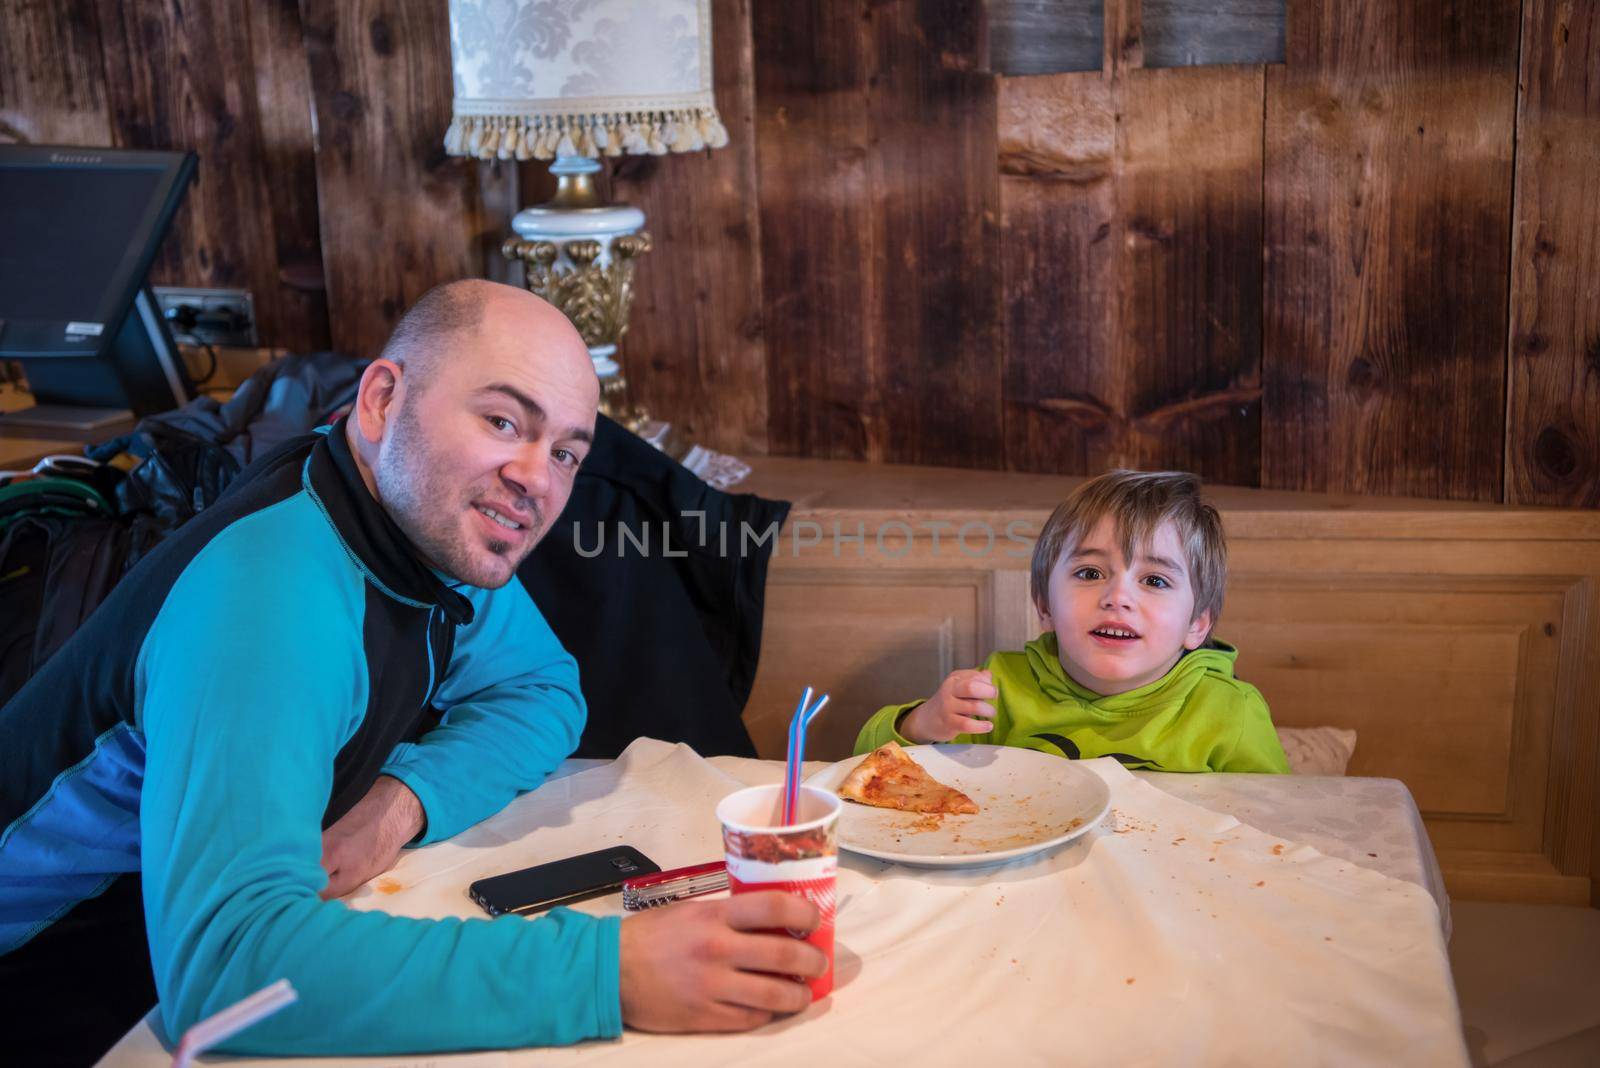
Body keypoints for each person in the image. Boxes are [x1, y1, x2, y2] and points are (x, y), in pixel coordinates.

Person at [0, 280, 823, 1062]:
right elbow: (228, 971)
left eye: (567, 452)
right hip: (61, 1003)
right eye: (504, 421)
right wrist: (612, 971)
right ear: (381, 399)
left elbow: (541, 691)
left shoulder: (412, 531)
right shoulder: (268, 594)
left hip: (157, 967)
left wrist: (397, 807)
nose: (539, 478)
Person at [855, 469, 1290, 773]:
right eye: (1089, 573)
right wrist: (923, 724)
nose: (1118, 597)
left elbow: (1279, 820)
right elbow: (868, 768)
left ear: (1197, 624)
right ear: (1044, 606)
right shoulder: (1001, 689)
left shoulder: (1230, 712)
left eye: (1155, 580)